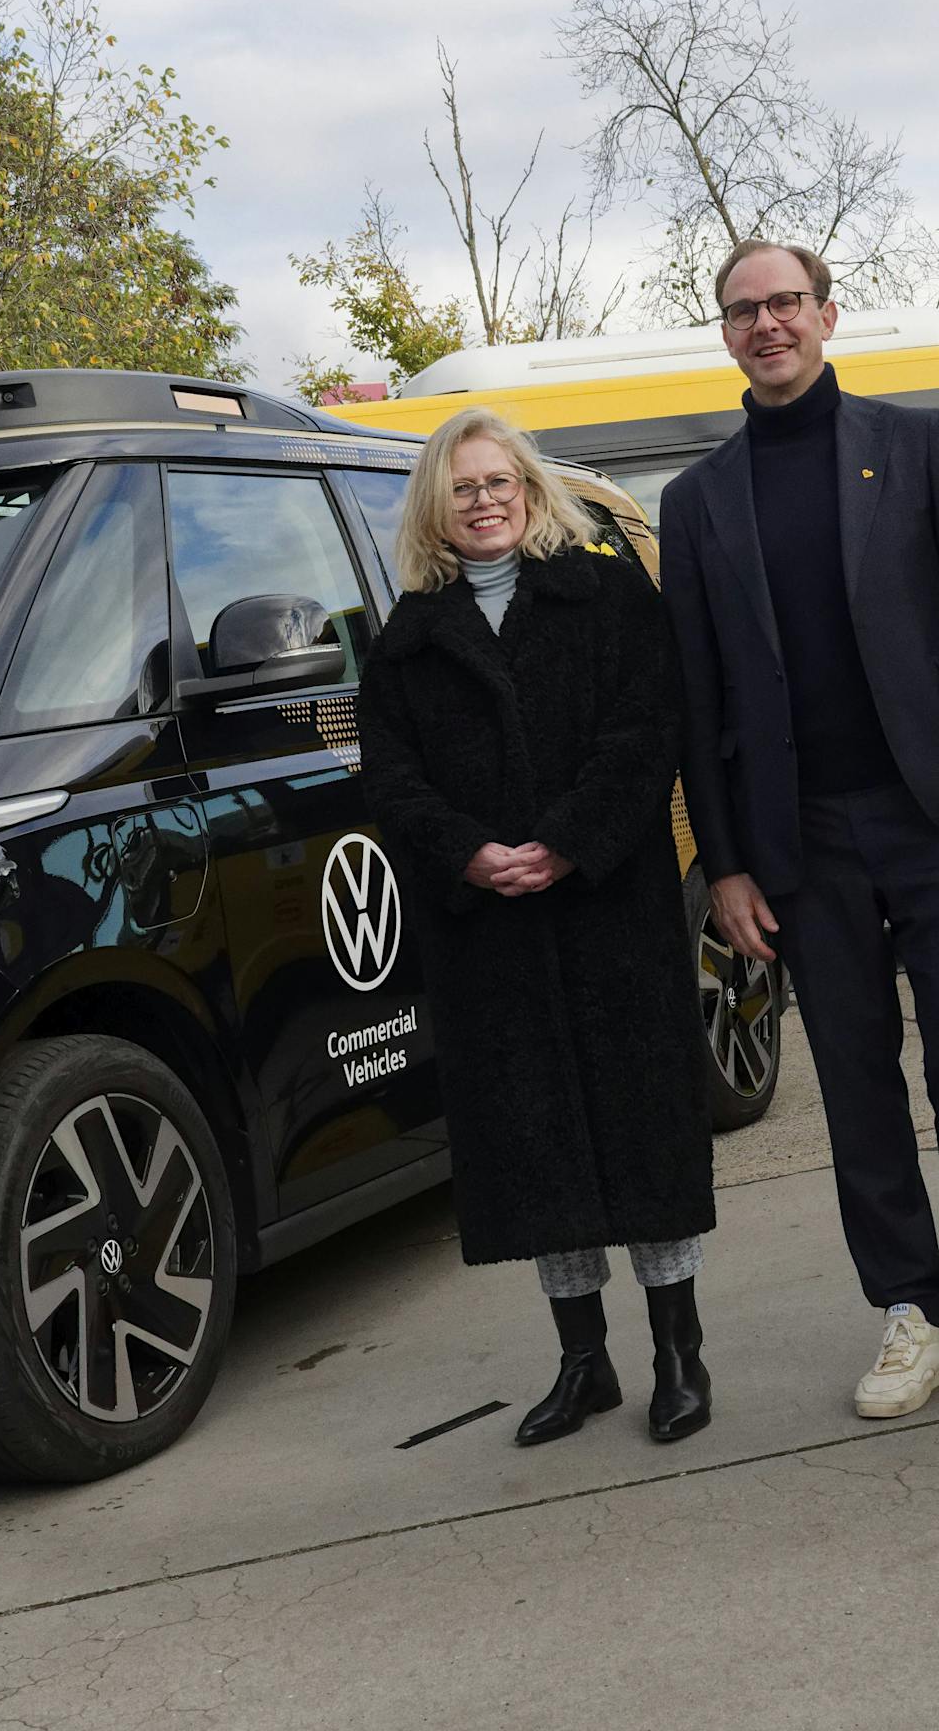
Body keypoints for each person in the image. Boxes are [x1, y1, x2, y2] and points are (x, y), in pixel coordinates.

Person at [358, 407, 714, 1446]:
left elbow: (648, 728)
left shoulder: (604, 591)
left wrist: (563, 839)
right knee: (537, 1146)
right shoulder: (409, 638)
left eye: (496, 480)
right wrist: (467, 849)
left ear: (527, 486)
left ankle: (677, 1354)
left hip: (608, 911)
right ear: (436, 505)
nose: (481, 499)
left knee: (639, 1133)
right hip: (491, 934)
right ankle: (581, 1361)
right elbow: (389, 774)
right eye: (460, 486)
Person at [660, 239, 939, 1419]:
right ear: (722, 332)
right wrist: (723, 862)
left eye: (784, 303)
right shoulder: (693, 500)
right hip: (801, 843)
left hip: (926, 812)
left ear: (827, 315)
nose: (764, 323)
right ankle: (910, 1307)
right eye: (741, 310)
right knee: (858, 1085)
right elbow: (693, 696)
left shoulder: (913, 448)